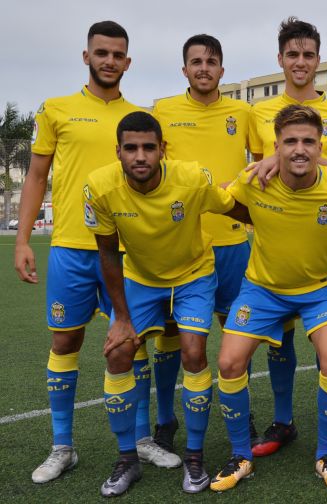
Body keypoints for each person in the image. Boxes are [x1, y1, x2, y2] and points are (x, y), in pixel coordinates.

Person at [12, 21, 164, 484]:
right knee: (66, 342)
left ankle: (139, 440)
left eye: (118, 54)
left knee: (132, 342)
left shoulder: (139, 118)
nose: (110, 61)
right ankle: (63, 448)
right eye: (102, 53)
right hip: (72, 250)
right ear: (86, 57)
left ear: (128, 61)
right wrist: (22, 240)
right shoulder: (56, 110)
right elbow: (37, 176)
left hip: (127, 251)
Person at [210, 105, 327, 492]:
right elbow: (221, 201)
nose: (299, 149)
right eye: (290, 141)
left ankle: (325, 454)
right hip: (263, 289)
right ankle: (240, 455)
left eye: (307, 142)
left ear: (321, 147)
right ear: (276, 147)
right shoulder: (253, 181)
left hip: (322, 289)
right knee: (229, 362)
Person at [84, 111, 250, 496]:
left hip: (193, 274)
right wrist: (121, 317)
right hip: (141, 278)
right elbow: (107, 253)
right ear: (118, 152)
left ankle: (194, 457)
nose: (139, 156)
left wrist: (281, 217)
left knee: (194, 353)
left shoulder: (191, 177)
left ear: (162, 149)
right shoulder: (99, 187)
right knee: (118, 353)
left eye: (148, 147)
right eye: (131, 148)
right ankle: (127, 458)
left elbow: (233, 207)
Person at [247, 17, 327, 459]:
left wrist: (326, 169)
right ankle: (283, 420)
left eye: (307, 54)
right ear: (280, 59)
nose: (299, 62)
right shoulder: (259, 114)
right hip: (275, 242)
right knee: (280, 337)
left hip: (324, 244)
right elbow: (255, 173)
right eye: (291, 54)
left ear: (319, 59)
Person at [150, 33, 257, 456]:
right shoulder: (164, 111)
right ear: (184, 70)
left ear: (222, 70)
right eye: (196, 62)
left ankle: (240, 410)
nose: (204, 68)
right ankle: (164, 420)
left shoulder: (242, 112)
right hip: (180, 244)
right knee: (170, 333)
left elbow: (265, 159)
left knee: (237, 335)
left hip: (232, 243)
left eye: (211, 62)